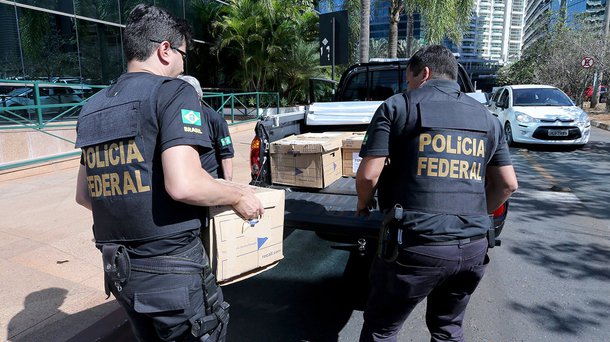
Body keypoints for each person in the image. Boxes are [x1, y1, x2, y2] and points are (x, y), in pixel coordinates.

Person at [74, 4, 264, 341]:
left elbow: (86, 195)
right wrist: (238, 194)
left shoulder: (92, 106)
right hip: (171, 270)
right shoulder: (174, 92)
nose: (182, 63)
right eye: (182, 54)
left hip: (118, 270)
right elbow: (184, 185)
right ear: (164, 50)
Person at [355, 45, 518, 342]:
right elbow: (507, 184)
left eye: (408, 79)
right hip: (473, 248)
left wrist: (363, 204)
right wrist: (475, 216)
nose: (408, 86)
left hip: (416, 247)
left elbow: (368, 175)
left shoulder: (398, 106)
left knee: (382, 329)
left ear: (424, 73)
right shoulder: (488, 118)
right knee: (447, 330)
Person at [178, 75, 235, 181]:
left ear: (198, 96)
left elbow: (226, 155)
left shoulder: (216, 120)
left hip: (210, 177)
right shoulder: (174, 119)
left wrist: (228, 184)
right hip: (183, 177)